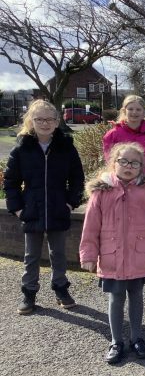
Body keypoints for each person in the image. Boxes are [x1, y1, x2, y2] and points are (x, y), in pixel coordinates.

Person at [79, 142, 145, 364]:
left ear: (141, 167)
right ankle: (116, 341)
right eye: (124, 161)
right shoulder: (102, 191)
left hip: (139, 256)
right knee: (116, 298)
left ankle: (136, 338)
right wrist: (89, 255)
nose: (128, 166)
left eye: (134, 163)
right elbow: (90, 226)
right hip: (112, 256)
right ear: (113, 163)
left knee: (136, 297)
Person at [3, 99, 85, 315]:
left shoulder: (66, 147)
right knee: (31, 256)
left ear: (57, 122)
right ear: (31, 121)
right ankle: (29, 293)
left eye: (49, 119)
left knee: (58, 253)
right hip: (32, 209)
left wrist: (70, 203)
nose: (45, 123)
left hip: (58, 208)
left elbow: (77, 178)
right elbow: (10, 182)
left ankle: (61, 288)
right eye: (39, 119)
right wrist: (18, 209)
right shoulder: (22, 149)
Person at [103, 95, 145, 175]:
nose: (134, 112)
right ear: (124, 111)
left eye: (138, 109)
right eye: (130, 109)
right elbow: (109, 160)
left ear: (143, 112)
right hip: (120, 181)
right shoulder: (112, 134)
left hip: (144, 180)